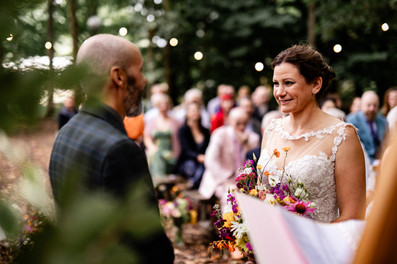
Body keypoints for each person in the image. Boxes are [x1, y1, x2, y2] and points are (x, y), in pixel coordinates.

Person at [49, 34, 174, 263]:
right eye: (140, 70)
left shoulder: (65, 133)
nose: (144, 80)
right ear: (118, 76)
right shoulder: (120, 149)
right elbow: (153, 250)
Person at [257, 44, 366, 223]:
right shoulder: (271, 129)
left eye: (288, 83)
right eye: (276, 83)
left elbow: (353, 216)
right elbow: (260, 195)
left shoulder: (342, 136)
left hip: (318, 246)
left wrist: (308, 242)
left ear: (315, 84)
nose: (279, 92)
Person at [199, 107, 259, 205]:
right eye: (238, 123)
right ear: (229, 121)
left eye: (245, 123)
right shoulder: (219, 134)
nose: (242, 127)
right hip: (220, 179)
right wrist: (225, 179)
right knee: (231, 194)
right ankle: (228, 220)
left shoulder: (252, 138)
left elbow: (252, 162)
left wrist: (246, 143)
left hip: (242, 181)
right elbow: (210, 161)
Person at [144, 93, 181, 181]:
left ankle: (158, 183)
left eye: (166, 104)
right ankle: (159, 182)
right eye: (161, 104)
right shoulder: (151, 121)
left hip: (170, 154)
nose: (163, 107)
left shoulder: (176, 122)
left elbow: (179, 141)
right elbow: (147, 137)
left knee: (157, 158)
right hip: (155, 152)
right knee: (155, 156)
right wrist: (152, 147)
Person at [175, 101, 210, 189]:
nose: (195, 112)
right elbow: (186, 150)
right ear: (187, 114)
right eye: (192, 110)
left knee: (205, 168)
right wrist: (198, 157)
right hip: (188, 162)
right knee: (193, 167)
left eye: (197, 110)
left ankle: (193, 184)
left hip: (203, 162)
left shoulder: (205, 131)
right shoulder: (183, 130)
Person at [347, 91, 388, 163]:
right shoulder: (351, 121)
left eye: (375, 105)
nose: (372, 108)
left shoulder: (383, 121)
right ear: (362, 105)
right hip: (363, 163)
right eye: (368, 105)